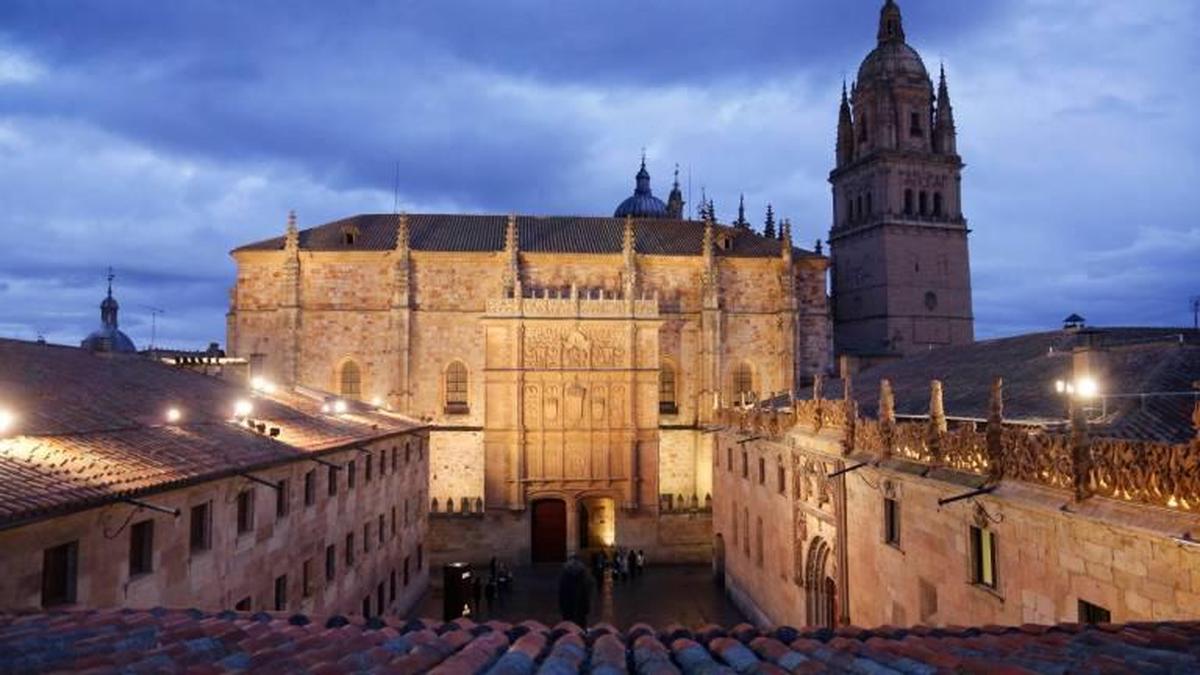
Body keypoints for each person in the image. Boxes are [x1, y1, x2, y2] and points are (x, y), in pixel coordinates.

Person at [557, 554, 592, 628]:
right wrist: (587, 607)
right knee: (581, 628)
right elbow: (587, 591)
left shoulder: (564, 572)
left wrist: (561, 606)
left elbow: (561, 591)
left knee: (567, 627)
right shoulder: (584, 572)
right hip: (581, 605)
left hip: (567, 605)